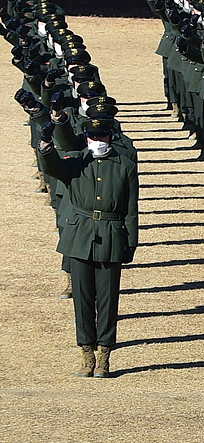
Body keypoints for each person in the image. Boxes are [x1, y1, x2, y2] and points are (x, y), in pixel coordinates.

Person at [36, 117, 139, 377]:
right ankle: (86, 353)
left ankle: (104, 354)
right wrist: (46, 144)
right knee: (82, 299)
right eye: (92, 137)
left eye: (101, 136)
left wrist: (131, 243)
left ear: (110, 136)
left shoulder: (124, 166)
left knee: (107, 300)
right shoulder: (76, 161)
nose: (97, 141)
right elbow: (52, 165)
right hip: (80, 236)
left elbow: (131, 209)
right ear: (87, 137)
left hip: (111, 236)